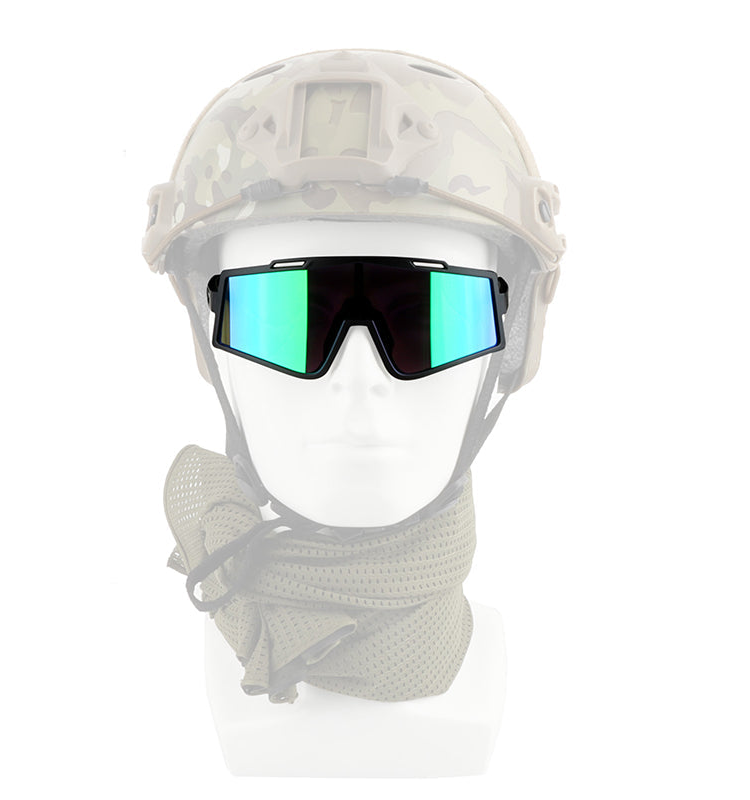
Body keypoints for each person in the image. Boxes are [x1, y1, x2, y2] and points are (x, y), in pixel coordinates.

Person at [142, 48, 565, 776]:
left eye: (429, 318)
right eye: (283, 317)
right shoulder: (222, 618)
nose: (359, 379)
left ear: (511, 348)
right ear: (211, 349)